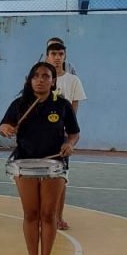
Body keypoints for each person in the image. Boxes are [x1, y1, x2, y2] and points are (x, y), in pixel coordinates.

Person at [0, 62, 80, 255]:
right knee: (31, 214)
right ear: (29, 80)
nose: (40, 80)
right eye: (36, 76)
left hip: (55, 165)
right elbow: (4, 125)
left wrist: (69, 144)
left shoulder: (62, 105)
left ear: (53, 81)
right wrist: (5, 128)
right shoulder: (20, 104)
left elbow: (73, 133)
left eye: (46, 76)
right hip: (25, 163)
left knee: (48, 214)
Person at [46, 42, 85, 230]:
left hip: (61, 138)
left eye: (61, 54)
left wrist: (69, 136)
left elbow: (73, 111)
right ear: (47, 56)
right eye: (53, 53)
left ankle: (58, 217)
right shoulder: (40, 78)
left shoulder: (73, 81)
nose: (57, 57)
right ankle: (42, 216)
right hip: (41, 137)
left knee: (60, 179)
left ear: (65, 56)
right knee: (40, 178)